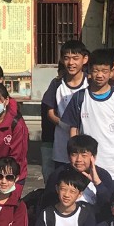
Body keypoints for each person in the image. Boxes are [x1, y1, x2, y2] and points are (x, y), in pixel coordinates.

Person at [64, 48, 114, 186]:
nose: (100, 75)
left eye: (104, 71)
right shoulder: (79, 97)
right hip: (86, 168)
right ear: (89, 70)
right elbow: (74, 130)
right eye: (96, 70)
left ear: (111, 71)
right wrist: (75, 158)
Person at [39, 39, 89, 181]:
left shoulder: (90, 83)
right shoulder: (57, 84)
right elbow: (50, 112)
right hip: (62, 146)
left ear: (84, 59)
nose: (71, 63)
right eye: (67, 58)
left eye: (75, 58)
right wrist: (65, 125)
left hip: (86, 146)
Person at [66, 134, 114, 212]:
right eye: (74, 155)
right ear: (68, 156)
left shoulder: (103, 175)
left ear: (93, 157)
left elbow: (109, 205)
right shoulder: (60, 174)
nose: (78, 159)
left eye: (84, 155)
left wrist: (98, 183)